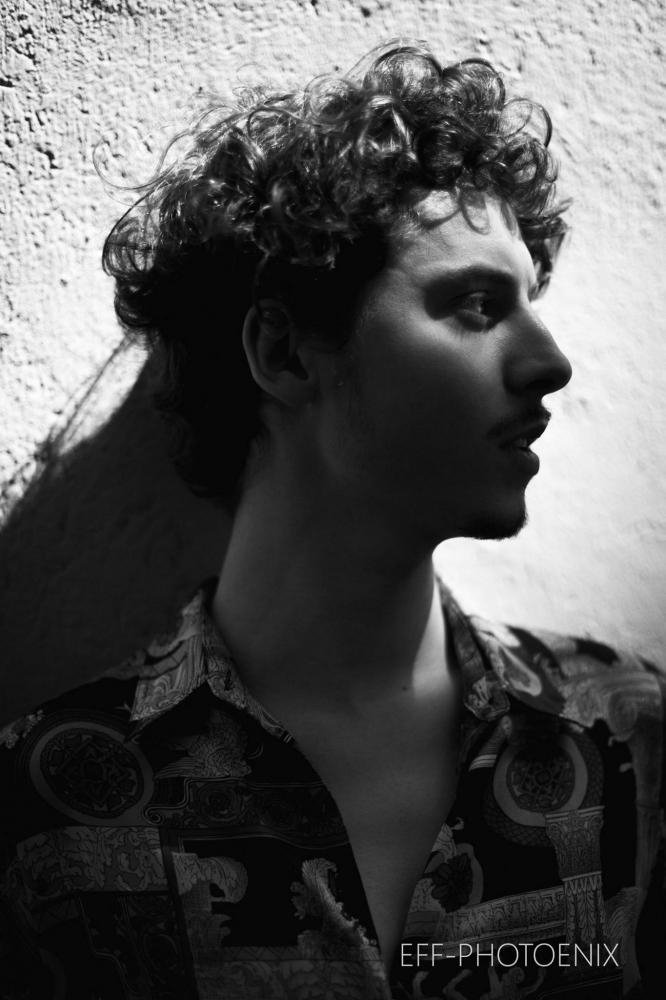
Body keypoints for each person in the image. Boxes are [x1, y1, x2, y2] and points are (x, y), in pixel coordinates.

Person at [0, 41, 663, 1000]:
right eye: (477, 305)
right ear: (284, 353)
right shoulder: (42, 805)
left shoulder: (629, 734)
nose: (552, 362)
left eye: (532, 300)